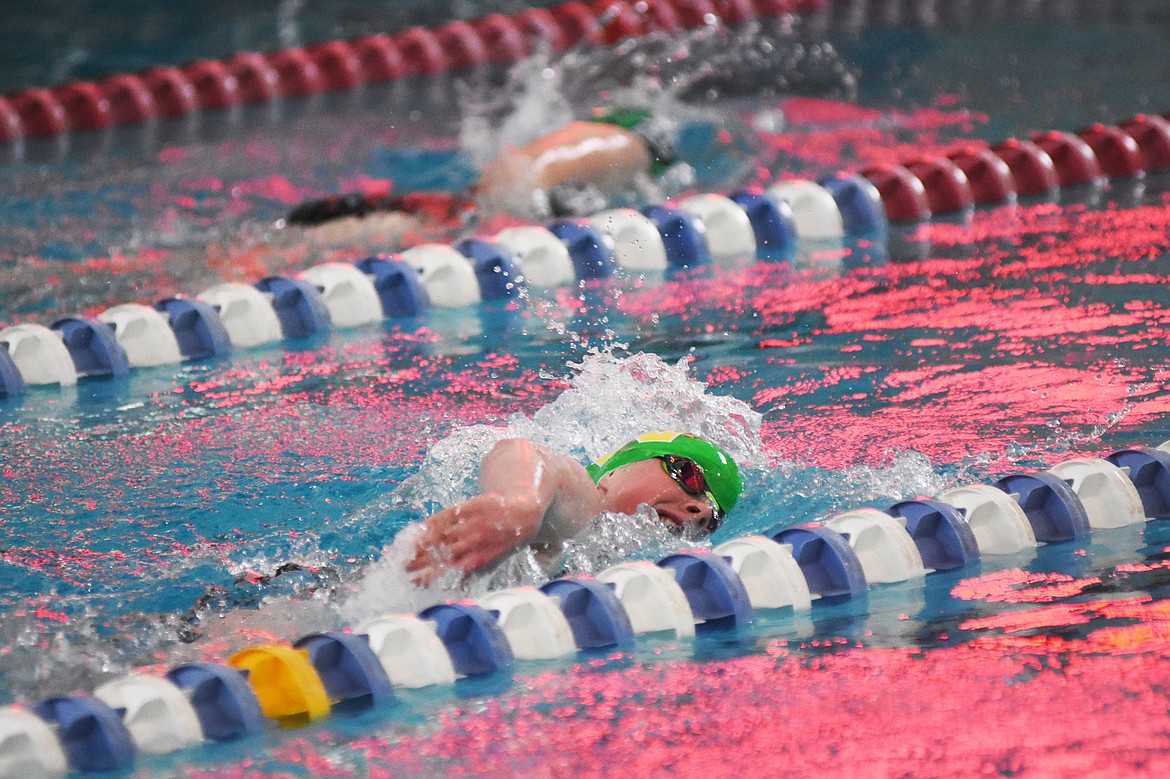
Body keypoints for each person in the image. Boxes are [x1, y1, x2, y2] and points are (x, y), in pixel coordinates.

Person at [404, 430, 741, 585]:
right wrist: (519, 504)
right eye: (688, 475)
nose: (702, 512)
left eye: (713, 515)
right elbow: (532, 456)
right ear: (614, 471)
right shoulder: (587, 507)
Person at [285, 108, 678, 232]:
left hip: (507, 178)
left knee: (439, 214)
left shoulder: (583, 132)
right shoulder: (634, 151)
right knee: (440, 221)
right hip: (528, 194)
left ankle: (333, 219)